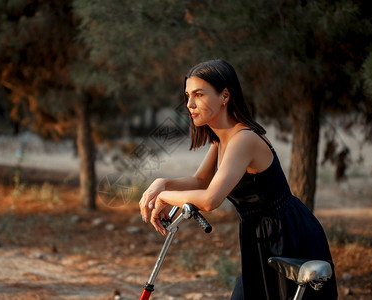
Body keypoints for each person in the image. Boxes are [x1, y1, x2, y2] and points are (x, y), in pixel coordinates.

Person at [139, 59, 338, 299]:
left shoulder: (243, 139)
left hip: (288, 236)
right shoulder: (221, 139)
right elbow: (201, 182)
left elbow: (211, 199)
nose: (190, 104)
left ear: (225, 96)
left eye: (199, 94)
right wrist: (162, 182)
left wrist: (164, 196)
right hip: (259, 235)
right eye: (188, 95)